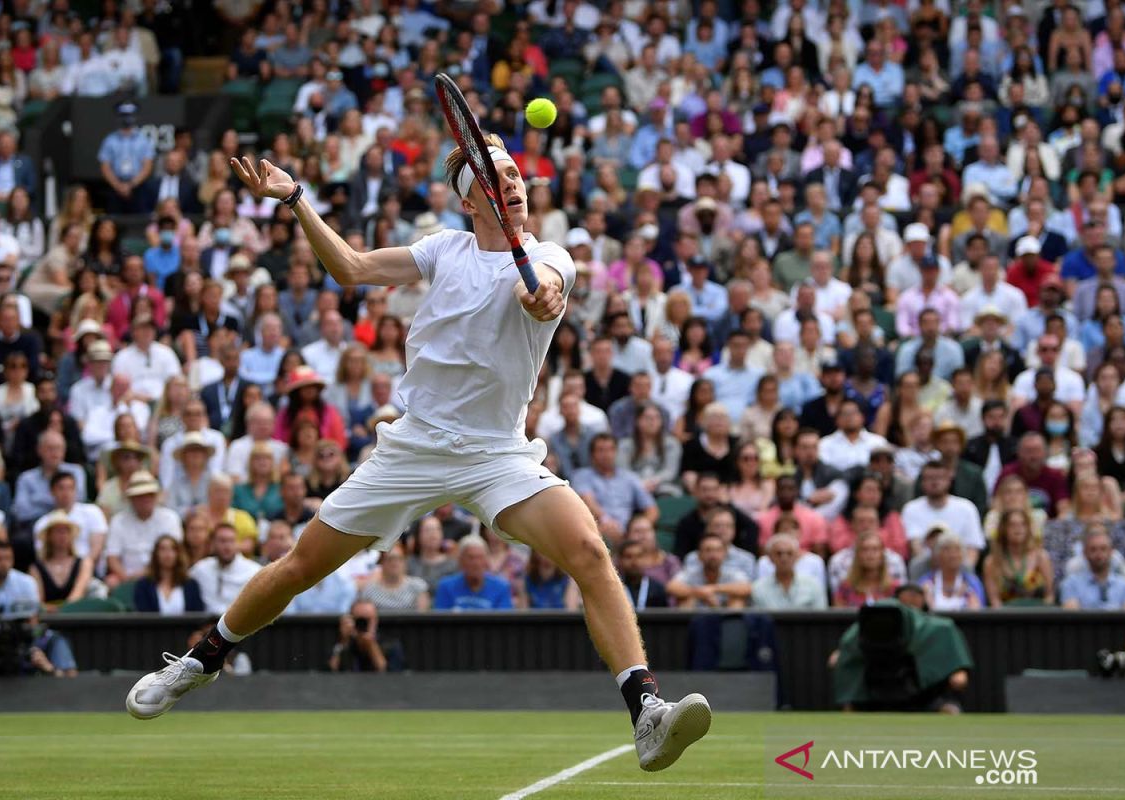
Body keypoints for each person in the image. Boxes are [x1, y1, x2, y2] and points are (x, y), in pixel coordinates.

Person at [126, 132, 709, 771]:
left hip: (498, 456)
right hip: (415, 446)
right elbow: (350, 268)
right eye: (497, 178)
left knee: (591, 552)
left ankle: (646, 712)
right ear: (471, 203)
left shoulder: (551, 256)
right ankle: (201, 660)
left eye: (516, 173)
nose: (513, 183)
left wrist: (542, 295)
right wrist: (295, 199)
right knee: (300, 566)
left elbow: (543, 289)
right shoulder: (442, 250)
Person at [982, 510, 1053, 607]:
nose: (1018, 528)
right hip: (1005, 617)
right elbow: (994, 602)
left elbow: (1050, 596)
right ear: (1003, 529)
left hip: (1039, 615)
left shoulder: (1041, 557)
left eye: (1023, 524)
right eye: (1012, 525)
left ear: (1028, 528)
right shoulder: (992, 562)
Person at [190, 523, 263, 615]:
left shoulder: (254, 571)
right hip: (208, 626)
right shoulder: (201, 569)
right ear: (213, 543)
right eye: (222, 541)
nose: (227, 546)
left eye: (231, 541)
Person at [1060, 526, 1125, 609]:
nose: (1099, 554)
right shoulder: (1071, 584)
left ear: (1111, 552)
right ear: (1084, 553)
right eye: (1093, 549)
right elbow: (1071, 617)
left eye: (1103, 549)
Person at [666, 534, 752, 609]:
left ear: (725, 554)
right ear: (699, 555)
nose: (713, 555)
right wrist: (698, 592)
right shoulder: (691, 573)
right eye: (708, 550)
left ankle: (732, 627)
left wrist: (713, 589)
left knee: (737, 600)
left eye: (718, 550)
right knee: (686, 600)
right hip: (696, 618)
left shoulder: (732, 573)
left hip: (724, 618)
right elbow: (671, 587)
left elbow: (747, 588)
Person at [29, 511, 92, 609]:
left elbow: (78, 593)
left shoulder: (84, 563)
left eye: (66, 531)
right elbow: (38, 601)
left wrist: (63, 611)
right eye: (58, 531)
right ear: (49, 536)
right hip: (49, 619)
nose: (62, 535)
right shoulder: (36, 568)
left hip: (76, 617)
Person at [751, 533, 828, 609]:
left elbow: (822, 617)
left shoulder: (813, 585)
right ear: (770, 557)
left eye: (789, 553)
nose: (784, 558)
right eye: (778, 553)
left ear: (797, 556)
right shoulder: (758, 588)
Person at [133, 535, 205, 614]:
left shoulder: (191, 585)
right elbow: (142, 615)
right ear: (155, 554)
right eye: (162, 549)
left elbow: (198, 614)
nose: (167, 554)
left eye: (172, 549)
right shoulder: (144, 585)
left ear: (178, 554)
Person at [917, 533, 986, 611]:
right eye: (947, 549)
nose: (953, 554)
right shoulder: (925, 583)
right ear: (938, 555)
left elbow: (978, 612)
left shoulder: (972, 583)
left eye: (957, 549)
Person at [358, 548, 430, 612]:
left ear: (405, 562)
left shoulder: (418, 586)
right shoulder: (370, 590)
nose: (395, 563)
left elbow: (423, 615)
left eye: (399, 559)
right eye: (390, 559)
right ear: (382, 563)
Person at [329, 599, 388, 672]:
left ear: (375, 621)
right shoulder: (342, 643)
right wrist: (344, 641)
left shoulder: (390, 645)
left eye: (367, 620)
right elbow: (332, 670)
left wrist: (371, 645)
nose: (362, 624)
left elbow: (390, 674)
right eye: (359, 620)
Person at [615, 538, 670, 610]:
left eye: (639, 556)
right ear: (620, 560)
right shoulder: (614, 589)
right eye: (628, 557)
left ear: (646, 559)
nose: (634, 562)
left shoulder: (658, 589)